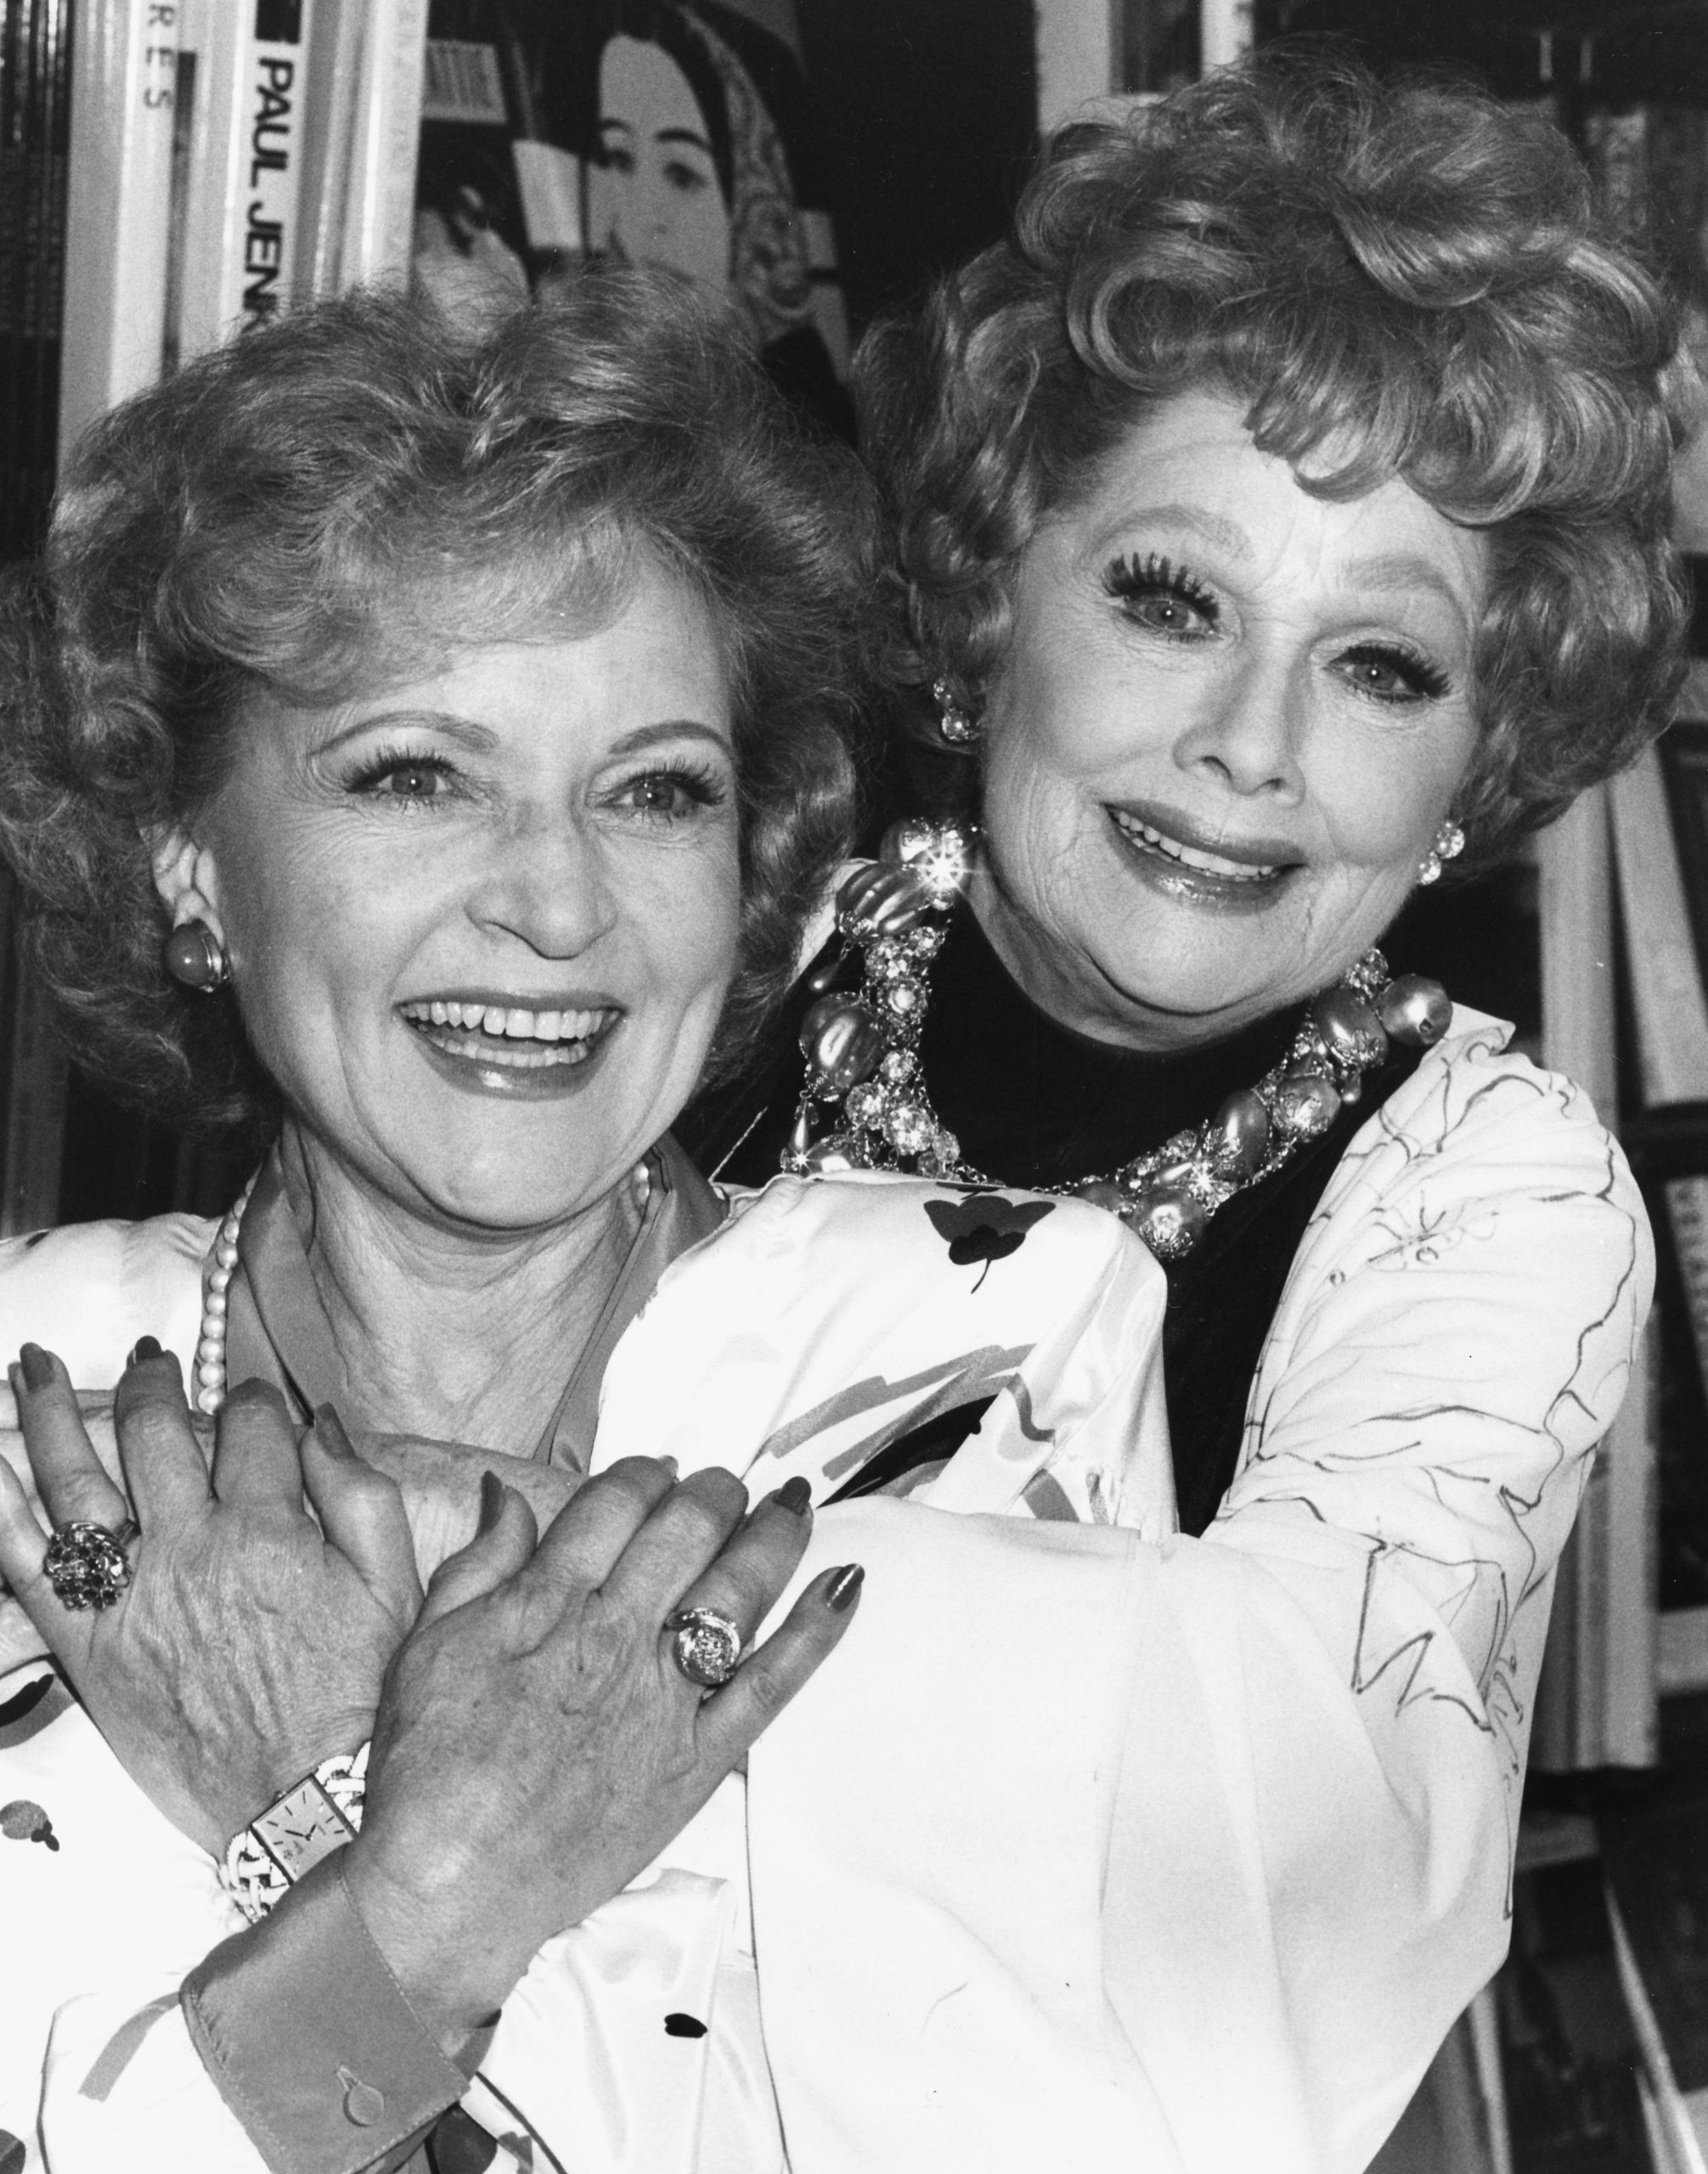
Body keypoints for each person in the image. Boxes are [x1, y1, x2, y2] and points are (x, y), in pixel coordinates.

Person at [0, 54, 1675, 2174]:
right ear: (988, 601)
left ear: (1475, 761)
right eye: (1170, 600)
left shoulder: (1340, 1242)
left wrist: (362, 1730)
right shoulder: (724, 945)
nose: (1249, 745)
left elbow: (1233, 1891)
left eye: (1383, 667)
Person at [0, 273, 1175, 2174]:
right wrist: (420, 1888)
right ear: (187, 856)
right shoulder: (20, 1395)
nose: (556, 903)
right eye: (417, 776)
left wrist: (320, 1794)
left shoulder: (974, 1363)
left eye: (653, 792)